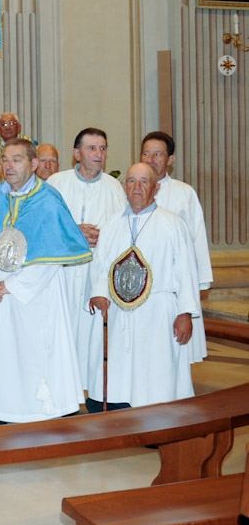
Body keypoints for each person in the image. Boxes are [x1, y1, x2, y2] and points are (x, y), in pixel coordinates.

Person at [0, 139, 91, 422]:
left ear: (34, 164)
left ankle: (41, 413)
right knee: (2, 355)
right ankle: (6, 411)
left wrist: (11, 286)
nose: (9, 165)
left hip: (36, 296)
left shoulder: (48, 200)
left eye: (17, 159)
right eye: (5, 159)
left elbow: (49, 258)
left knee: (35, 355)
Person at [85, 164, 200, 411]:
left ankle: (159, 418)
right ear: (125, 186)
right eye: (132, 181)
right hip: (118, 311)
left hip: (158, 310)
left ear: (155, 188)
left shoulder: (173, 224)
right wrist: (98, 293)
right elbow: (100, 264)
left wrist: (185, 313)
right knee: (122, 363)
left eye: (144, 182)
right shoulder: (112, 223)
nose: (137, 187)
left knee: (156, 366)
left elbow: (186, 271)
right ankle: (122, 411)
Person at [47, 128, 127, 381]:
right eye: (91, 148)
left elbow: (123, 232)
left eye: (102, 148)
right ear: (76, 153)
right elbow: (42, 226)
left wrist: (106, 238)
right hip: (61, 272)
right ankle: (61, 386)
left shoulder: (115, 188)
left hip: (96, 273)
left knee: (93, 334)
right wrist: (74, 233)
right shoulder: (56, 183)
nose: (98, 154)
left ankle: (92, 386)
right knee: (62, 330)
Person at [140, 131, 213, 364]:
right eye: (146, 153)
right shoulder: (132, 190)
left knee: (173, 353)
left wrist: (199, 283)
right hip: (138, 286)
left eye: (158, 154)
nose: (150, 159)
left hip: (172, 286)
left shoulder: (184, 193)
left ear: (170, 159)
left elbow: (197, 240)